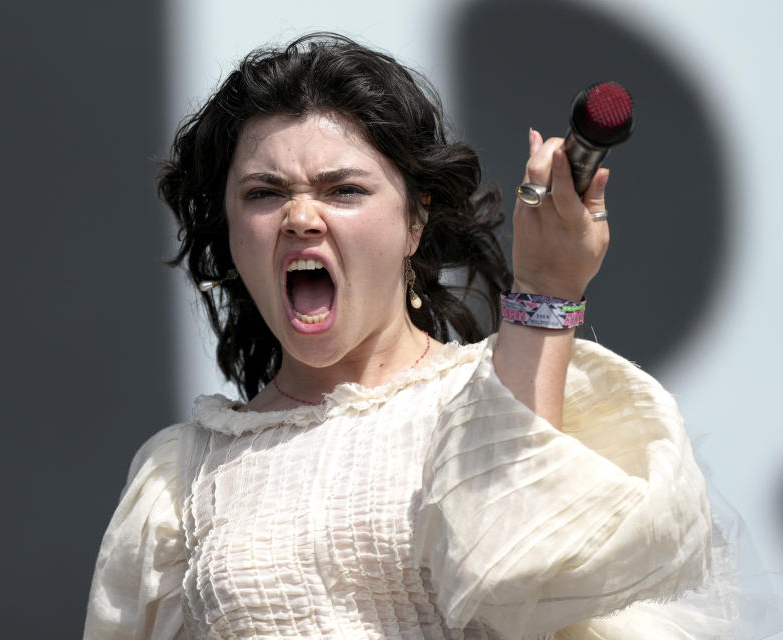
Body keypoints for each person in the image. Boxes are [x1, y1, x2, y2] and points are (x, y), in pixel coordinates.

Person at [83, 33, 744, 639]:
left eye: (342, 189)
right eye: (263, 193)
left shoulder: (499, 393)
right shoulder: (177, 479)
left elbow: (526, 570)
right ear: (228, 232)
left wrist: (545, 290)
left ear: (413, 225)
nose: (300, 217)